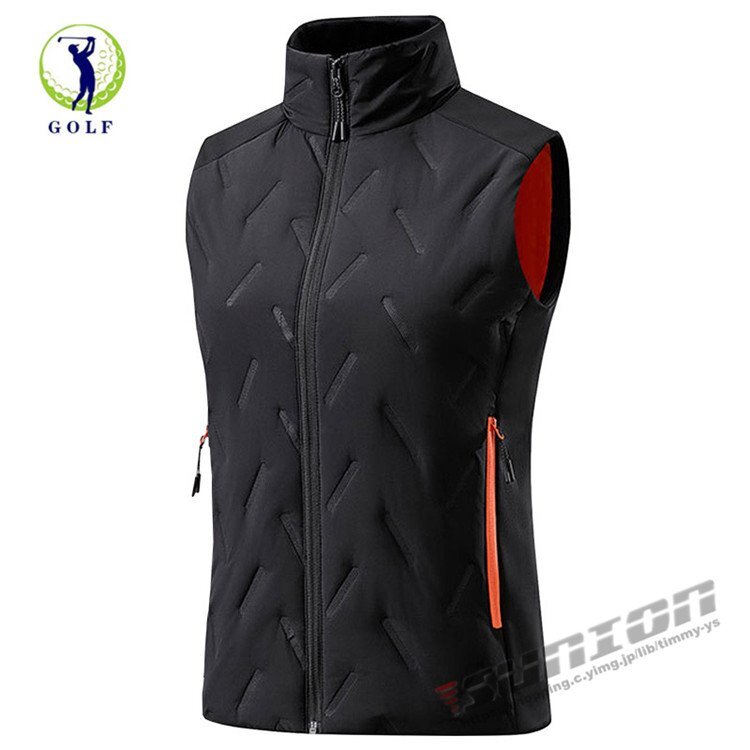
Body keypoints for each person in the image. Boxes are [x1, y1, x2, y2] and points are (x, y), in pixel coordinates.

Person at [69, 37, 96, 114]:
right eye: (75, 47)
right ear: (73, 50)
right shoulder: (77, 57)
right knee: (83, 93)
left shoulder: (81, 55)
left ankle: (87, 109)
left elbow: (91, 51)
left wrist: (93, 42)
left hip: (90, 75)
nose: (77, 48)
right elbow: (85, 50)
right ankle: (75, 102)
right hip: (86, 76)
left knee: (90, 92)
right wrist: (89, 42)